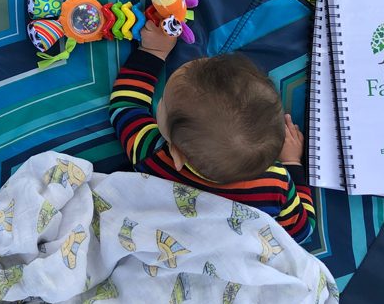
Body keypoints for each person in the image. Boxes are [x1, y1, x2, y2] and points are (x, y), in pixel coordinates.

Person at [109, 21, 314, 242]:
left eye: (163, 104)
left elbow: (126, 105)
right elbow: (302, 232)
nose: (159, 104)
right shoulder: (276, 185)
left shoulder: (155, 154)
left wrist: (153, 51)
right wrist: (293, 163)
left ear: (177, 154)